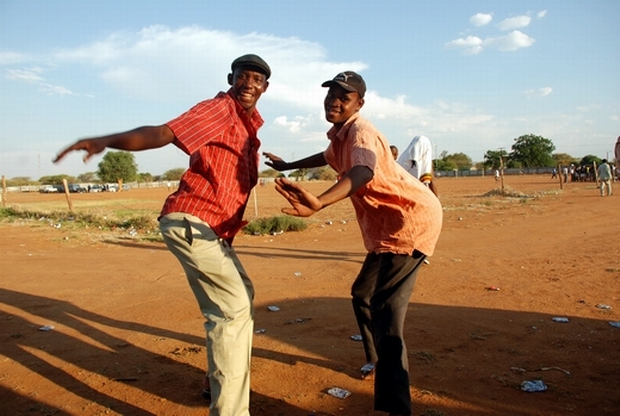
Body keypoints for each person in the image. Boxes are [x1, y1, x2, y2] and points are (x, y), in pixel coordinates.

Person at [53, 54, 271, 416]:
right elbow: (165, 133)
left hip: (209, 229)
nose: (249, 84)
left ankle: (214, 379)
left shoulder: (249, 127)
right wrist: (105, 140)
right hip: (192, 220)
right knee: (231, 312)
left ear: (266, 87)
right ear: (231, 78)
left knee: (242, 298)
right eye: (242, 77)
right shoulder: (219, 110)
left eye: (257, 80)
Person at [263, 71, 442, 416]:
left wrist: (320, 202)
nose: (334, 101)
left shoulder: (360, 131)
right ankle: (375, 359)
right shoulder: (340, 136)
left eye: (344, 97)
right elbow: (327, 155)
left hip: (409, 222)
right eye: (331, 95)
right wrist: (289, 165)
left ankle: (394, 407)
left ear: (359, 103)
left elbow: (362, 172)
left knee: (387, 311)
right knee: (362, 293)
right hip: (387, 227)